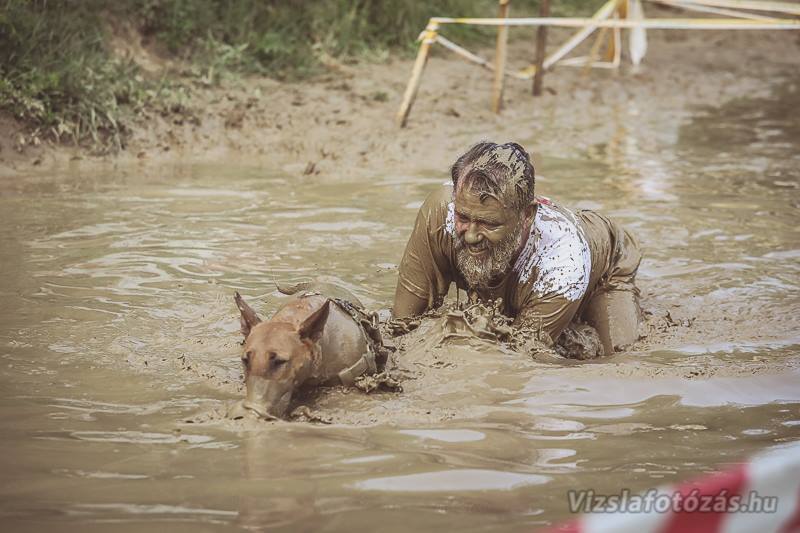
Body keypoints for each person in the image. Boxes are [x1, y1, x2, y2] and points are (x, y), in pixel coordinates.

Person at [393, 141, 643, 355]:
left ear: (527, 215)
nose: (470, 236)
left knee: (620, 356)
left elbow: (518, 362)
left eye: (488, 223)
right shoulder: (440, 212)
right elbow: (402, 325)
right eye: (463, 217)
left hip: (607, 264)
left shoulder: (563, 262)